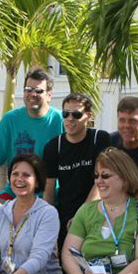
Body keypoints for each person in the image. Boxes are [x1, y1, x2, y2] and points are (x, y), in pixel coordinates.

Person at [43, 92, 111, 248]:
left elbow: (103, 181)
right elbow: (49, 189)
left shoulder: (100, 139)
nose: (70, 119)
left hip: (97, 212)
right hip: (65, 214)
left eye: (76, 114)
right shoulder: (54, 146)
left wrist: (82, 216)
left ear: (88, 116)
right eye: (66, 114)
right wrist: (48, 219)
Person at [0, 68, 63, 200]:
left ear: (49, 96)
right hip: (14, 192)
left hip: (49, 195)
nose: (32, 94)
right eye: (28, 89)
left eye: (38, 91)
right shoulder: (10, 120)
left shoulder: (60, 120)